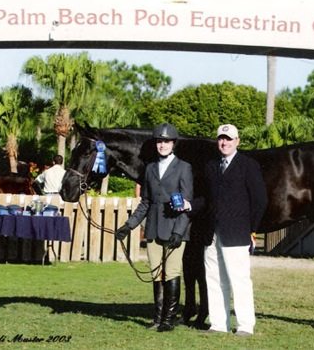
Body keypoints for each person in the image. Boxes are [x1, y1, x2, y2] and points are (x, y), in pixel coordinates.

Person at [115, 123, 193, 332]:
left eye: (166, 141)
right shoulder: (149, 168)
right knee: (155, 274)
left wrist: (179, 232)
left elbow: (186, 204)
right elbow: (145, 203)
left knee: (172, 272)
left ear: (173, 144)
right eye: (160, 141)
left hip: (175, 229)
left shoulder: (184, 167)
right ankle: (157, 317)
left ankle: (169, 318)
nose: (162, 145)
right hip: (153, 228)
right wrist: (128, 226)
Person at [202, 124, 268, 336]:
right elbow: (207, 199)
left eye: (229, 139)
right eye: (221, 138)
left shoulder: (248, 165)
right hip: (212, 233)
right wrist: (188, 204)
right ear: (217, 141)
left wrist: (252, 229)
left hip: (237, 233)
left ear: (237, 141)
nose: (225, 142)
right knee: (213, 278)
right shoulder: (211, 166)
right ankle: (219, 324)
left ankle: (245, 326)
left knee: (239, 280)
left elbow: (260, 200)